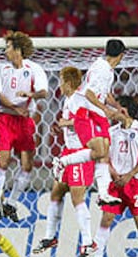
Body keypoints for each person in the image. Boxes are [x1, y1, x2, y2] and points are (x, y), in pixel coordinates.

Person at [32, 67, 97, 257]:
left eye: (61, 81)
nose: (59, 85)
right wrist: (60, 125)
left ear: (68, 83)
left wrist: (66, 123)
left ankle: (88, 241)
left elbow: (85, 121)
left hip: (80, 154)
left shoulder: (80, 99)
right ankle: (50, 237)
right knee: (56, 193)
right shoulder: (69, 100)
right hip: (68, 152)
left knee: (77, 198)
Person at [52, 39, 126, 206]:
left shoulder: (105, 67)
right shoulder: (102, 69)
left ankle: (103, 194)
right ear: (121, 55)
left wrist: (116, 106)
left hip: (96, 113)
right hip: (90, 112)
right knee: (100, 152)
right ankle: (63, 162)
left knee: (103, 154)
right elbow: (90, 94)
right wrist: (106, 110)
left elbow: (104, 93)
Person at [89, 96, 138, 257]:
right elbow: (104, 155)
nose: (114, 112)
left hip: (136, 182)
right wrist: (113, 172)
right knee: (106, 218)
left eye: (118, 108)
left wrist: (130, 174)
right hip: (116, 181)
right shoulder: (111, 132)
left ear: (125, 111)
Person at [0, 30, 48, 221]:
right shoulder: (1, 68)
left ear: (17, 49)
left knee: (27, 165)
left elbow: (43, 92)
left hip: (24, 122)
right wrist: (15, 109)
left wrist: (31, 95)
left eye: (8, 47)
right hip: (4, 118)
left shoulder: (34, 68)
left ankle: (12, 202)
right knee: (3, 160)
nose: (5, 51)